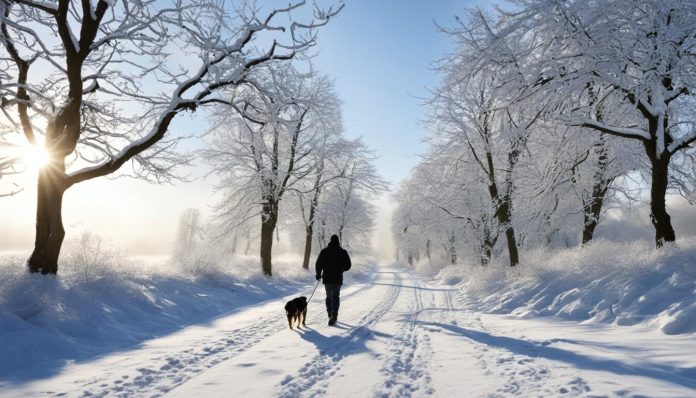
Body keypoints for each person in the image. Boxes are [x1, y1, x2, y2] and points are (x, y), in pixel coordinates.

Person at [315, 234, 351, 326]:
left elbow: (318, 264)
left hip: (327, 278)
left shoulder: (325, 251)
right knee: (335, 296)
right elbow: (348, 265)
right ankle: (334, 314)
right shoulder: (342, 252)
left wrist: (318, 274)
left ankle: (330, 313)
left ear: (330, 241)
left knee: (328, 297)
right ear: (338, 241)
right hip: (338, 278)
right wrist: (341, 269)